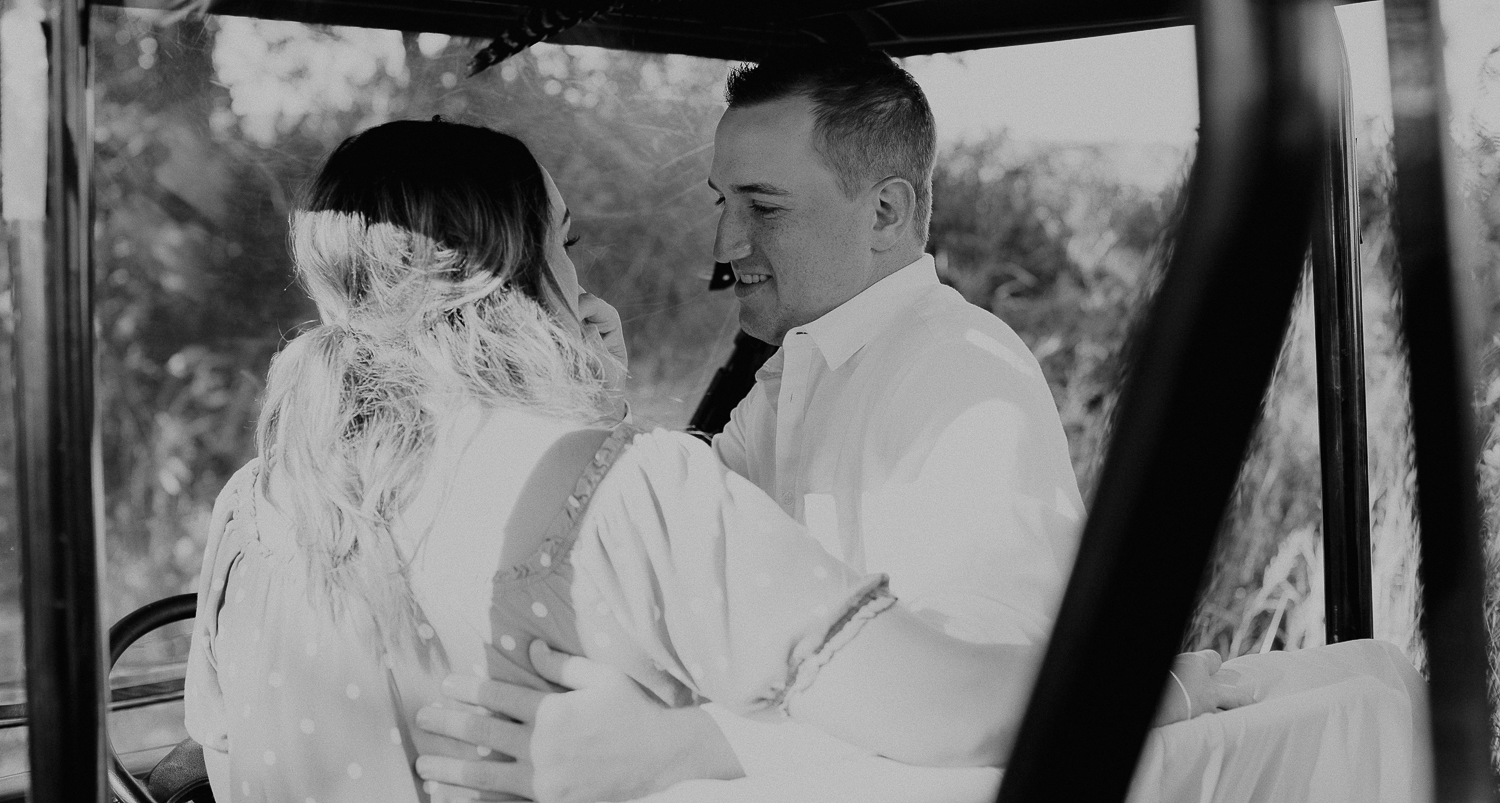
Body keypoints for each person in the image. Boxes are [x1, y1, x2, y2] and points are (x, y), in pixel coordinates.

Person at [182, 119, 1248, 803]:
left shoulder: (255, 508)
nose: (723, 247)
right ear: (518, 268)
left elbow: (221, 758)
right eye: (567, 241)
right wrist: (1171, 688)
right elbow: (958, 713)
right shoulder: (627, 492)